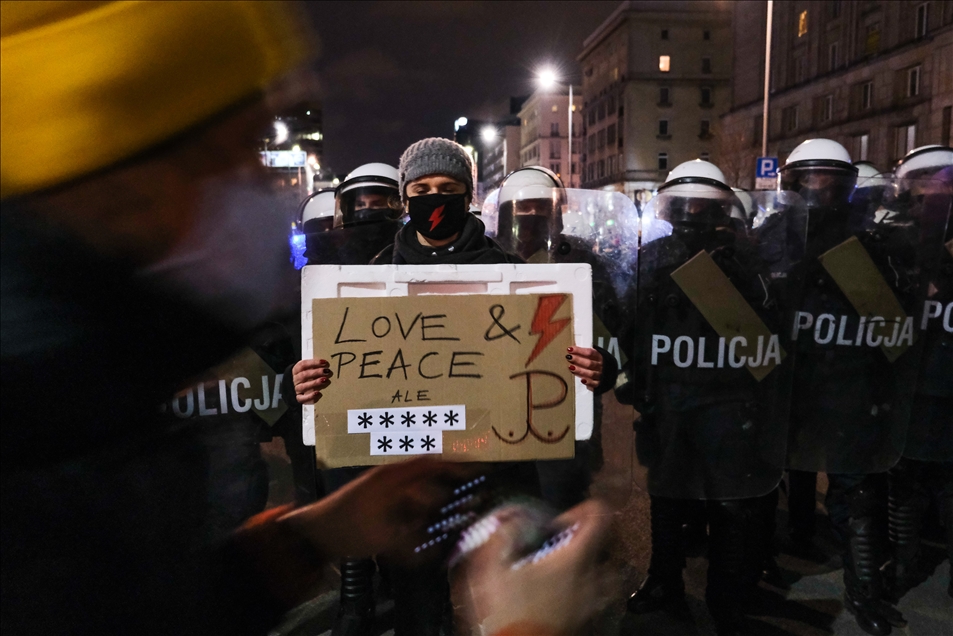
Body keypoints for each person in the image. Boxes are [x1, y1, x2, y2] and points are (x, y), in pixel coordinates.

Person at [0, 4, 609, 635]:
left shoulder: (81, 395)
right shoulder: (45, 427)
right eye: (237, 149)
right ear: (124, 168)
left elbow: (142, 601)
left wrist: (307, 542)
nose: (251, 190)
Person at [292, 137, 612, 635]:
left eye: (447, 188)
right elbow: (346, 374)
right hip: (414, 486)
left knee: (495, 602)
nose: (434, 199)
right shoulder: (372, 279)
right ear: (405, 198)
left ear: (467, 197)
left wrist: (597, 369)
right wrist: (311, 381)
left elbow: (565, 359)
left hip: (499, 480)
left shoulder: (513, 276)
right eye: (421, 188)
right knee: (417, 611)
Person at [622, 160, 791, 636]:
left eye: (703, 206)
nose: (693, 215)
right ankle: (664, 581)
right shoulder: (653, 257)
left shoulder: (745, 261)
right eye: (685, 205)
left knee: (729, 502)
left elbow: (770, 337)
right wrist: (635, 381)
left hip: (728, 400)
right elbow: (632, 325)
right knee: (668, 497)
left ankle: (726, 593)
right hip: (670, 398)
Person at [779, 139, 925, 636]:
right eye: (808, 183)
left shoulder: (866, 244)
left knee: (856, 493)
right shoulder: (773, 238)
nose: (817, 194)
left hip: (844, 383)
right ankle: (749, 578)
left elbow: (891, 323)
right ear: (790, 185)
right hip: (791, 383)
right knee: (762, 490)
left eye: (829, 184)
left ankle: (864, 591)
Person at [494, 166, 630, 510]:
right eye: (522, 209)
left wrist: (605, 368)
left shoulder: (583, 261)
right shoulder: (486, 261)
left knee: (561, 505)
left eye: (543, 208)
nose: (532, 218)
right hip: (500, 406)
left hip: (565, 408)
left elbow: (612, 337)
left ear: (557, 212)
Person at [882, 146, 953, 603]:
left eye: (942, 187)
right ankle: (903, 560)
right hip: (907, 388)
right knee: (904, 485)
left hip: (942, 387)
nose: (933, 196)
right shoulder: (894, 248)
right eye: (924, 188)